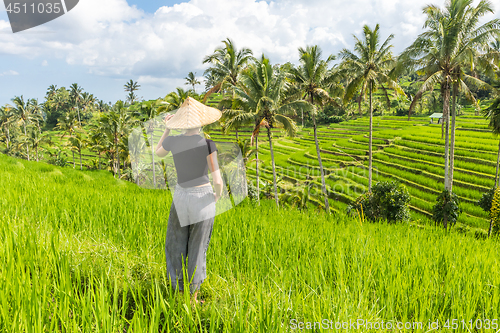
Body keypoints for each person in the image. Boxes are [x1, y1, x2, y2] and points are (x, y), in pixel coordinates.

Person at [154, 97, 223, 305]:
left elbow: (158, 153)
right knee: (198, 246)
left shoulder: (173, 141)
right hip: (202, 196)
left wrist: (167, 129)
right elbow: (217, 179)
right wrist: (217, 196)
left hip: (181, 197)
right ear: (201, 122)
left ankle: (178, 292)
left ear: (180, 123)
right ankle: (193, 298)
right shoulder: (208, 143)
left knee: (176, 243)